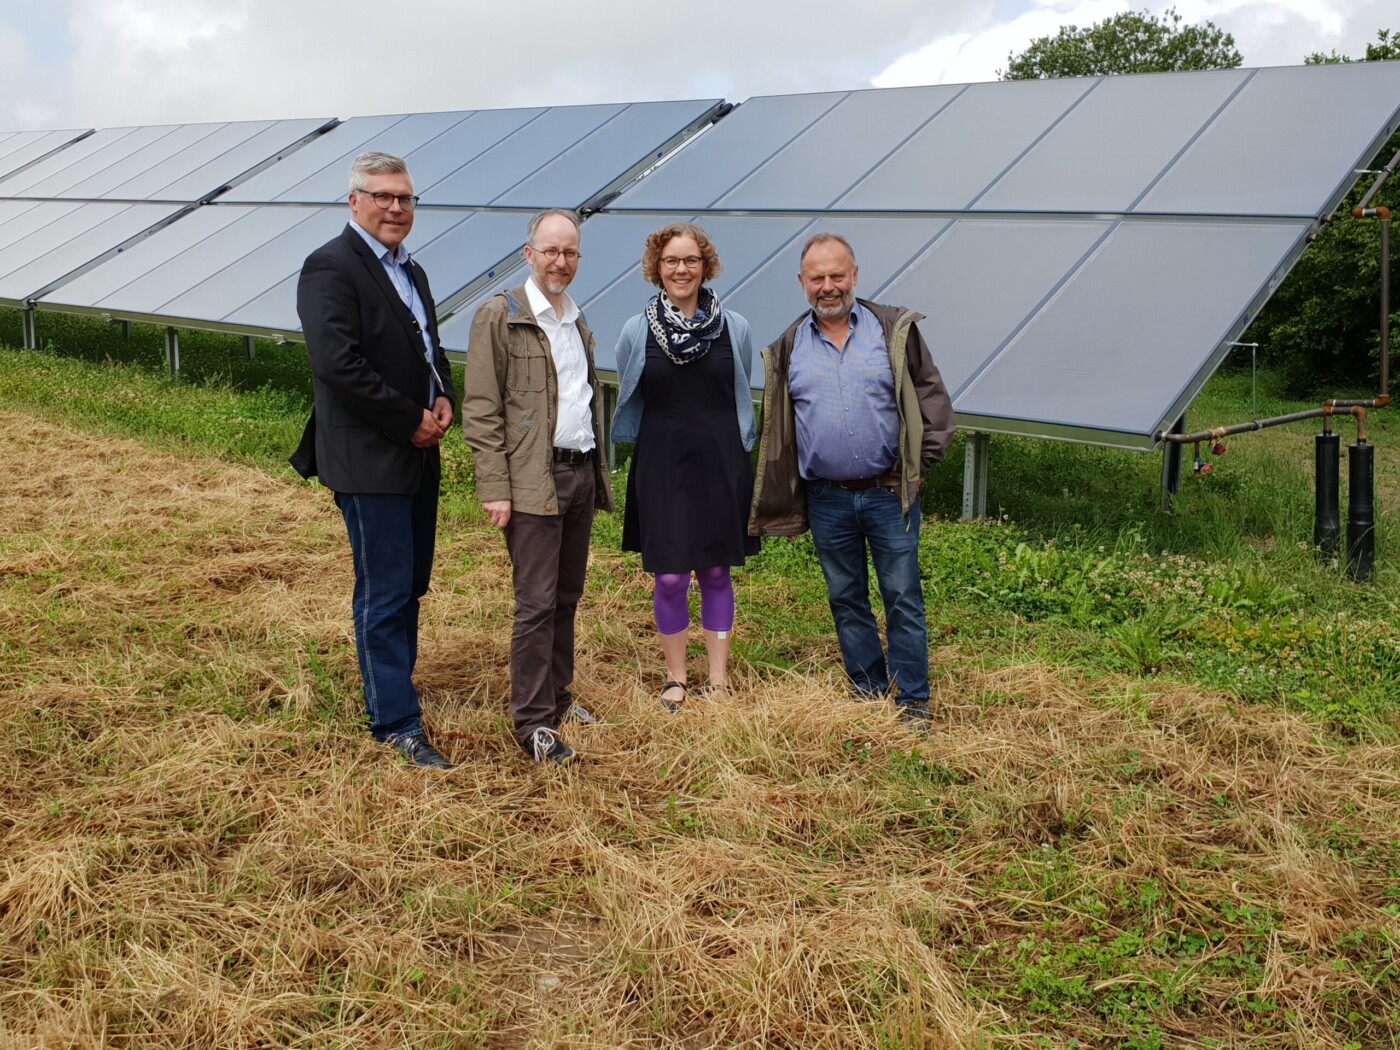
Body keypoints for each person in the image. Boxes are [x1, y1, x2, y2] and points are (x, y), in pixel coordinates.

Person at [748, 233, 955, 725]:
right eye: (817, 278)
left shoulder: (892, 331)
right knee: (846, 596)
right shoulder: (788, 348)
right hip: (827, 499)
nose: (828, 286)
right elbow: (778, 428)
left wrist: (918, 468)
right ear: (802, 283)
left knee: (902, 595)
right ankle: (867, 689)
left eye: (836, 275)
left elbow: (932, 400)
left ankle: (912, 700)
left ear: (855, 276)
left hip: (889, 494)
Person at [290, 151, 455, 769]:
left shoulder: (412, 270)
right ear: (354, 201)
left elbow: (429, 350)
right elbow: (337, 364)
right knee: (384, 589)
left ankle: (394, 684)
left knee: (410, 584)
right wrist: (407, 418)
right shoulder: (330, 266)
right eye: (383, 196)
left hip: (417, 452)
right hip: (370, 457)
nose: (396, 208)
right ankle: (394, 721)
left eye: (406, 198)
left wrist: (442, 397)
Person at [461, 209, 614, 766]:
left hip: (578, 472)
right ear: (529, 255)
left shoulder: (576, 321)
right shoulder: (499, 318)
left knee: (567, 597)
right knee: (536, 603)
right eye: (550, 251)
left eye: (570, 252)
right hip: (531, 480)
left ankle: (558, 696)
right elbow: (481, 410)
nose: (561, 261)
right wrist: (494, 487)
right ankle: (532, 722)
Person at [613, 223, 759, 711]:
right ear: (657, 268)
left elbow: (740, 383)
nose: (682, 269)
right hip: (662, 461)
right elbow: (630, 382)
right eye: (672, 261)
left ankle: (718, 679)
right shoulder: (637, 330)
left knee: (717, 571)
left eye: (691, 260)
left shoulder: (733, 327)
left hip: (721, 460)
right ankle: (676, 677)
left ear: (705, 265)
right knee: (671, 577)